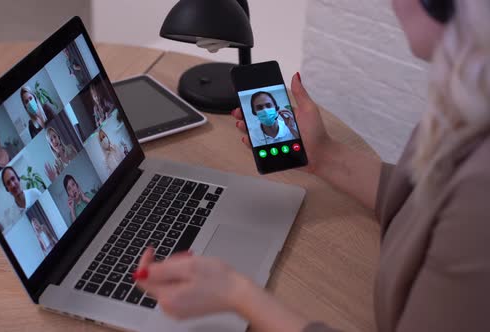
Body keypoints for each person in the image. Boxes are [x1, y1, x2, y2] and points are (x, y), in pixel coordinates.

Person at [134, 1, 490, 331]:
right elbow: (425, 197)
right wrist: (324, 155)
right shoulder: (470, 100)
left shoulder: (478, 199)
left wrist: (237, 294)